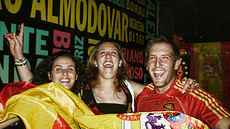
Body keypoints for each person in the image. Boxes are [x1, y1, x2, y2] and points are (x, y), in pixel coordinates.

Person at [5, 23, 198, 115]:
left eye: (113, 53)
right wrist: (19, 56)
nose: (108, 57)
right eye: (102, 53)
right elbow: (34, 88)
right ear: (95, 61)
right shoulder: (80, 88)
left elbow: (163, 89)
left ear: (120, 62)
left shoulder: (131, 89)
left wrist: (185, 83)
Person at [135, 36, 230, 129]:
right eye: (152, 58)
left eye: (165, 58)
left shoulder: (192, 95)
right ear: (147, 65)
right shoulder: (142, 96)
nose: (157, 64)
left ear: (177, 64)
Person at [0, 50, 85, 129]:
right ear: (49, 75)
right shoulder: (36, 100)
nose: (65, 73)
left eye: (70, 69)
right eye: (58, 69)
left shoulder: (80, 104)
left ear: (76, 75)